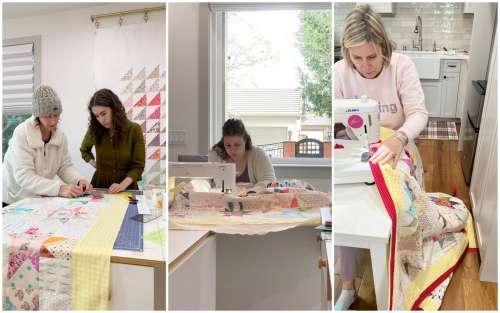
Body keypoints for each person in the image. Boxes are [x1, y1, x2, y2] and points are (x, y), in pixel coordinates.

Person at [334, 4, 428, 310]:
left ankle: (400, 269)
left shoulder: (401, 66)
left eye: (372, 56)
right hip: (355, 145)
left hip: (397, 141)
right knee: (345, 207)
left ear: (384, 48)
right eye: (357, 58)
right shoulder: (339, 73)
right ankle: (348, 285)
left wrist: (400, 138)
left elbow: (418, 114)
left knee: (396, 199)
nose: (365, 65)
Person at [3, 85, 92, 206]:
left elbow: (64, 167)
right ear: (38, 115)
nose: (53, 121)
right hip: (12, 199)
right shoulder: (22, 133)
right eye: (48, 116)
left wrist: (79, 180)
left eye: (56, 115)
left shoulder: (60, 136)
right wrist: (59, 188)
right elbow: (24, 175)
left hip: (36, 199)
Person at [80, 88, 145, 193]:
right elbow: (84, 150)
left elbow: (138, 166)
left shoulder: (134, 130)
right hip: (100, 185)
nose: (101, 120)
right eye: (97, 116)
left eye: (104, 113)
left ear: (114, 109)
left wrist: (122, 185)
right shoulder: (94, 129)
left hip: (127, 187)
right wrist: (96, 165)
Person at [208, 118, 276, 190]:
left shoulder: (257, 154)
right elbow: (207, 183)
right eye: (228, 145)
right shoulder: (216, 156)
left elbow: (270, 181)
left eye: (237, 145)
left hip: (252, 199)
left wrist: (249, 192)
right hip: (222, 200)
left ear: (245, 141)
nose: (232, 150)